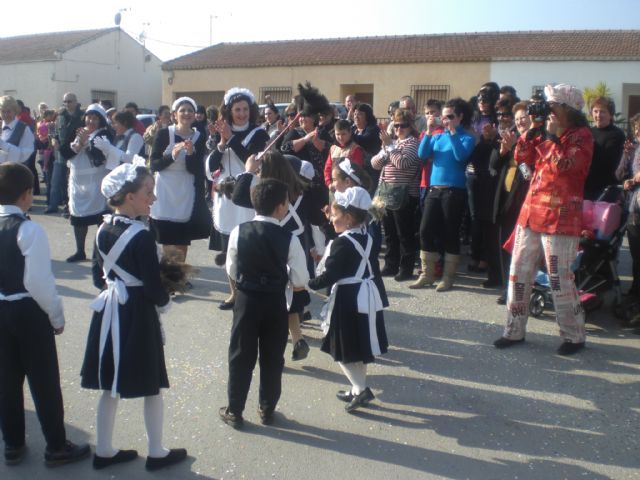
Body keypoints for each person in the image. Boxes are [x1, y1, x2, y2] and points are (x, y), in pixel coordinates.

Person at [80, 163, 187, 470]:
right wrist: (166, 300)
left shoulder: (101, 229)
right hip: (138, 314)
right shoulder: (141, 235)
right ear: (128, 197)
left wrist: (118, 288)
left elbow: (97, 278)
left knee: (110, 383)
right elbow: (153, 287)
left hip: (110, 311)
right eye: (148, 192)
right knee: (151, 382)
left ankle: (103, 449)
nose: (152, 198)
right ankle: (156, 452)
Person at [0, 162, 90, 467]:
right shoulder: (28, 230)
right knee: (44, 380)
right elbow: (39, 282)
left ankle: (12, 442)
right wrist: (57, 316)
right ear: (27, 195)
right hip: (27, 310)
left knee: (6, 379)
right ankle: (55, 445)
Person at [493, 83, 593, 356]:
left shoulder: (582, 136)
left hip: (561, 216)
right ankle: (513, 331)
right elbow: (521, 156)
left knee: (559, 279)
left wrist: (552, 136)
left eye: (553, 106)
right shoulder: (544, 130)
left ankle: (574, 336)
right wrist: (533, 132)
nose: (548, 110)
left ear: (569, 110)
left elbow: (567, 168)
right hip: (531, 211)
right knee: (518, 273)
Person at [219, 179, 309, 428]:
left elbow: (231, 267)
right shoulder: (288, 238)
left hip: (247, 299)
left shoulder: (240, 230)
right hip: (275, 301)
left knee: (240, 354)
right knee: (272, 356)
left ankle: (234, 409)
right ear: (281, 207)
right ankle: (266, 408)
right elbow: (300, 277)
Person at [308, 186, 388, 412]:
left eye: (335, 215)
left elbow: (331, 275)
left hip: (348, 299)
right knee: (358, 348)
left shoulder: (343, 243)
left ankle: (361, 389)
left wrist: (307, 283)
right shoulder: (368, 236)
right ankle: (356, 388)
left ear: (349, 218)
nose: (332, 219)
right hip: (367, 295)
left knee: (341, 349)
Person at [207, 88, 269, 310]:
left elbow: (252, 162)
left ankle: (249, 292)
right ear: (229, 111)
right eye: (237, 109)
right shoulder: (220, 132)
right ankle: (234, 293)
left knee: (247, 247)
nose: (241, 114)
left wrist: (231, 139)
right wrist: (221, 144)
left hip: (247, 196)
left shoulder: (259, 134)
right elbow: (211, 167)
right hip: (225, 199)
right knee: (229, 248)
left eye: (244, 109)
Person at [412, 98, 475, 291]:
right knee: (425, 230)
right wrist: (429, 132)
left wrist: (454, 132)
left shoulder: (467, 137)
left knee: (450, 233)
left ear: (460, 117)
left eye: (450, 116)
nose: (446, 120)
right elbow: (422, 155)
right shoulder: (438, 136)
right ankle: (427, 273)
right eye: (444, 116)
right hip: (434, 189)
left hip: (454, 191)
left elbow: (460, 156)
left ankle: (448, 277)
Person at [150, 96, 211, 266]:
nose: (186, 113)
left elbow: (197, 170)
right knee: (166, 237)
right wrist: (172, 156)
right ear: (174, 115)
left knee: (182, 238)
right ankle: (166, 274)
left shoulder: (199, 136)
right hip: (165, 191)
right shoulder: (163, 134)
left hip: (186, 191)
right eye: (182, 110)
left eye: (190, 110)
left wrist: (191, 154)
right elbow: (154, 165)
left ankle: (178, 275)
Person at [489, 100, 532, 304]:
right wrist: (504, 150)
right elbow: (493, 165)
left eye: (523, 117)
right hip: (506, 200)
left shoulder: (538, 141)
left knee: (523, 251)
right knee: (506, 247)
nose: (520, 121)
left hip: (526, 203)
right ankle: (508, 289)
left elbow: (528, 174)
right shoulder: (511, 136)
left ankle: (524, 291)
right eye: (517, 119)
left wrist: (517, 150)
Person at [66, 104, 121, 263]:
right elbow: (64, 152)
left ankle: (100, 252)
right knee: (78, 217)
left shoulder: (104, 134)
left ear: (101, 120)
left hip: (97, 181)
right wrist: (77, 144)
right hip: (78, 182)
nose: (91, 120)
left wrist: (86, 143)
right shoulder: (78, 131)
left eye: (95, 118)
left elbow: (100, 157)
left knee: (100, 218)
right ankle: (80, 251)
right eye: (89, 117)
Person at [371, 108, 421, 281]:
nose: (399, 129)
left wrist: (390, 147)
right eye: (397, 125)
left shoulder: (413, 143)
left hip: (403, 193)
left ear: (410, 126)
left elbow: (403, 163)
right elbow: (374, 164)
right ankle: (391, 264)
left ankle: (406, 268)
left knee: (404, 233)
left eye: (403, 126)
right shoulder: (391, 143)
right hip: (385, 191)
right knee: (390, 232)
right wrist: (386, 150)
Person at [47, 92, 84, 214]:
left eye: (70, 101)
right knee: (55, 182)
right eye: (65, 101)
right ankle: (53, 206)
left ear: (75, 101)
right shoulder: (60, 116)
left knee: (71, 184)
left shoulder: (82, 116)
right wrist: (53, 140)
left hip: (74, 155)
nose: (67, 104)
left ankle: (69, 208)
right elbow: (56, 133)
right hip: (59, 155)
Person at [616, 113, 640, 296]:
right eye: (636, 129)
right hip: (634, 209)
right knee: (636, 254)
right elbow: (620, 175)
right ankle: (635, 290)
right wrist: (626, 156)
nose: (638, 132)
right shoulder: (634, 149)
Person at [584, 96, 626, 201]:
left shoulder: (616, 134)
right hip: (587, 187)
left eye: (603, 112)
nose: (598, 115)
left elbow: (610, 161)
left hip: (607, 189)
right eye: (595, 111)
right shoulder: (588, 132)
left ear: (611, 114)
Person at [323, 119, 364, 187]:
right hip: (334, 186)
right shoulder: (333, 148)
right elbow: (327, 168)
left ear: (350, 133)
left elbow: (357, 171)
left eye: (343, 134)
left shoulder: (355, 149)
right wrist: (329, 183)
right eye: (338, 134)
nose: (340, 137)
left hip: (349, 187)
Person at [0, 96, 35, 166]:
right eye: (3, 111)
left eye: (9, 111)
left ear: (15, 111)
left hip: (13, 173)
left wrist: (3, 145)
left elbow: (25, 155)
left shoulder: (24, 129)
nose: (6, 115)